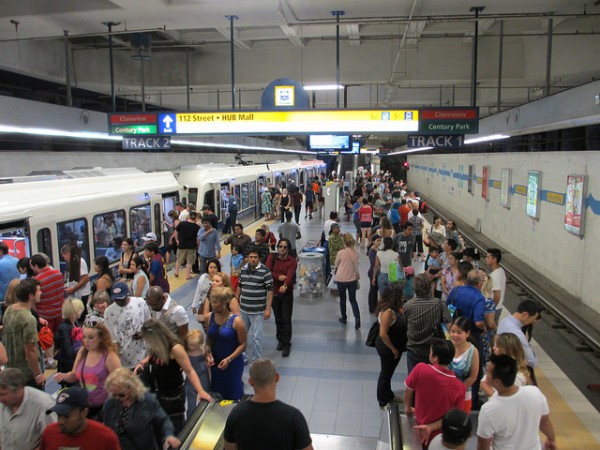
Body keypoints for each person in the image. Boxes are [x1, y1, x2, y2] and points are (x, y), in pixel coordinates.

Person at [135, 319, 212, 434]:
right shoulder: (157, 346)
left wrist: (200, 391)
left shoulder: (175, 348)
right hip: (159, 391)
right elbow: (151, 357)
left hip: (173, 396)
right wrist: (142, 363)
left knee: (175, 427)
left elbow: (190, 370)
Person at [223, 358, 313, 450]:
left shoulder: (236, 414)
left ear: (250, 382)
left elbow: (229, 447)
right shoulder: (293, 417)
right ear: (277, 377)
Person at [477, 354, 557, 450]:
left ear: (497, 382)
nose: (485, 374)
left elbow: (482, 445)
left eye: (488, 372)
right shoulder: (535, 393)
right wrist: (551, 439)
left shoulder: (488, 410)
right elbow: (545, 422)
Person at [54, 320, 122, 420]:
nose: (86, 341)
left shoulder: (109, 355)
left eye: (91, 338)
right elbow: (74, 375)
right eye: (84, 337)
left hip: (105, 408)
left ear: (101, 338)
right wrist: (63, 376)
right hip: (85, 407)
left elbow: (121, 383)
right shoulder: (83, 351)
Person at [404, 339, 465, 447]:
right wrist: (431, 427)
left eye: (430, 352)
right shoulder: (460, 387)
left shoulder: (420, 369)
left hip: (416, 429)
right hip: (439, 437)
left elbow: (408, 388)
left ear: (435, 358)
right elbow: (454, 418)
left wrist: (407, 407)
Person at [103, 368, 180, 450]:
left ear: (132, 388)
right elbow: (106, 428)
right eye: (114, 395)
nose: (117, 398)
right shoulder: (110, 403)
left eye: (121, 395)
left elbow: (164, 420)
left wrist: (169, 435)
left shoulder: (146, 400)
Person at [39, 387, 120, 450]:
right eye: (59, 415)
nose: (61, 421)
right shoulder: (49, 433)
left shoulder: (105, 437)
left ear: (84, 413)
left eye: (67, 416)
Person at [203, 287, 247, 400]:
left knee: (233, 393)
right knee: (218, 394)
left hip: (233, 363)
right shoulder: (209, 317)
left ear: (223, 303)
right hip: (216, 363)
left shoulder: (237, 321)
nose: (212, 304)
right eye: (211, 301)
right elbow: (209, 338)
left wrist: (229, 359)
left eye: (215, 302)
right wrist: (207, 350)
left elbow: (243, 345)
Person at [2, 278, 46, 388]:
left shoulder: (9, 310)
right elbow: (30, 350)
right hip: (27, 374)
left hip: (11, 369)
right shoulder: (28, 319)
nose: (41, 293)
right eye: (39, 290)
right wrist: (38, 374)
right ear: (31, 295)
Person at [0, 368, 56, 450]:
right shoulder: (3, 403)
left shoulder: (44, 405)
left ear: (19, 390)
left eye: (3, 394)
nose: (0, 399)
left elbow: (53, 440)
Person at [235, 249, 273, 362]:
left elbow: (270, 290)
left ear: (259, 258)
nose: (252, 259)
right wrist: (236, 300)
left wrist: (268, 309)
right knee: (241, 335)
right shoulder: (243, 270)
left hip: (257, 311)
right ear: (247, 258)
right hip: (243, 309)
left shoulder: (265, 271)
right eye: (250, 257)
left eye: (255, 257)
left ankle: (257, 360)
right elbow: (239, 286)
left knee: (257, 337)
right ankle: (243, 357)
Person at [104, 282, 150, 369]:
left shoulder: (140, 303)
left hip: (143, 358)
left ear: (127, 294)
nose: (119, 301)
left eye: (121, 298)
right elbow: (113, 341)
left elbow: (150, 325)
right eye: (116, 299)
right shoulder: (108, 313)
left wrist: (143, 333)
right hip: (124, 362)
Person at [375, 285, 407, 408]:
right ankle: (382, 400)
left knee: (388, 372)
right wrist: (393, 348)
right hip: (388, 347)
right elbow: (383, 334)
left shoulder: (392, 309)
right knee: (385, 373)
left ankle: (388, 395)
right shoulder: (387, 312)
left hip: (393, 345)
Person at [265, 238, 298, 357]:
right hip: (274, 293)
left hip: (286, 293)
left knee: (286, 319)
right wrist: (278, 277)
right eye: (280, 246)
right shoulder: (272, 257)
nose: (282, 249)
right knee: (278, 318)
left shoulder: (292, 261)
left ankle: (286, 343)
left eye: (285, 247)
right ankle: (280, 339)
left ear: (288, 249)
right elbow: (267, 271)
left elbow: (290, 275)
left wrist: (285, 285)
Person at [497, 299, 541, 380]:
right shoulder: (517, 333)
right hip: (511, 371)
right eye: (532, 319)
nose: (532, 322)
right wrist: (527, 343)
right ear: (525, 314)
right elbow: (532, 362)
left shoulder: (504, 321)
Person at [448, 316, 480, 414]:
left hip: (463, 395)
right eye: (453, 331)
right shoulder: (447, 346)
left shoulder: (473, 351)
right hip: (445, 394)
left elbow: (473, 377)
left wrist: (457, 391)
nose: (455, 335)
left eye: (459, 332)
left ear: (467, 334)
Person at [31, 253, 64, 333]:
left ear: (36, 266)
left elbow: (34, 301)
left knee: (48, 338)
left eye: (31, 266)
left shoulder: (37, 280)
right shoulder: (58, 273)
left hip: (46, 316)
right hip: (60, 312)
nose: (31, 268)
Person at [54, 297, 85, 384]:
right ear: (75, 311)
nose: (81, 311)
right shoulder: (63, 328)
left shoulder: (75, 324)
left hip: (75, 363)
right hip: (68, 366)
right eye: (80, 309)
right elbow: (68, 351)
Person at [335, 233, 361, 329]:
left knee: (342, 299)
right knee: (353, 299)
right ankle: (357, 318)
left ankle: (344, 318)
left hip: (341, 279)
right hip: (352, 279)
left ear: (344, 242)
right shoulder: (356, 253)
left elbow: (336, 264)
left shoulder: (340, 253)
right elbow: (356, 265)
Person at [184, 330, 211, 419]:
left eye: (195, 345)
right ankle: (190, 420)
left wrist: (208, 361)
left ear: (200, 344)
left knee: (205, 397)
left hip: (202, 375)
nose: (192, 347)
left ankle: (205, 417)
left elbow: (207, 359)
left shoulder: (202, 350)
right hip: (190, 378)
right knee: (191, 402)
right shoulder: (186, 352)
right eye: (190, 344)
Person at [60, 245, 91, 313]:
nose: (64, 258)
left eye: (63, 256)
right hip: (77, 294)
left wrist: (73, 289)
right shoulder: (72, 263)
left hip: (83, 294)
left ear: (67, 254)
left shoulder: (80, 261)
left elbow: (85, 278)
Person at [173, 210, 200, 280]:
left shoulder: (182, 223)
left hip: (181, 245)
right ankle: (187, 275)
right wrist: (198, 246)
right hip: (192, 246)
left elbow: (176, 231)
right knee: (189, 261)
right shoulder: (197, 227)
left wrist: (176, 240)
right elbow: (197, 238)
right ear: (196, 218)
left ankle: (176, 272)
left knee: (179, 259)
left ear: (189, 216)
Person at [485, 248, 506, 324]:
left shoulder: (495, 276)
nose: (485, 259)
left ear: (494, 259)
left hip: (494, 309)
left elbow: (497, 296)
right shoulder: (500, 270)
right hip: (497, 308)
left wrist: (490, 310)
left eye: (488, 257)